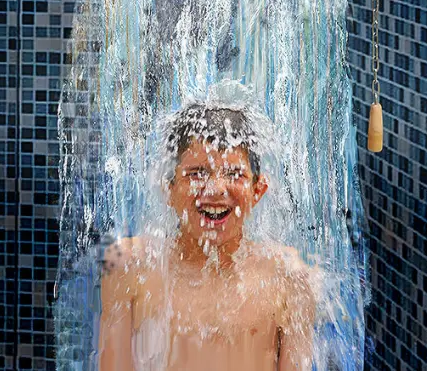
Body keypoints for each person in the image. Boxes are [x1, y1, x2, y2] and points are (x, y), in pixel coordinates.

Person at [98, 102, 315, 371]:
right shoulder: (130, 266)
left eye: (234, 174)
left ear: (257, 190)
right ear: (169, 189)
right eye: (197, 173)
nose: (215, 189)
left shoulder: (287, 276)